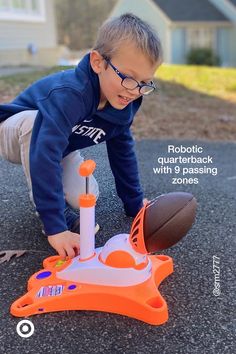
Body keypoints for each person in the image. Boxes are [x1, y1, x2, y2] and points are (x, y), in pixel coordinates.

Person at [0, 13, 162, 260]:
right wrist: (57, 228)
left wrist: (135, 204)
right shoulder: (71, 94)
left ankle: (58, 206)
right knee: (36, 125)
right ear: (98, 62)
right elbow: (45, 153)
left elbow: (122, 151)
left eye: (145, 83)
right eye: (129, 78)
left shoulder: (126, 102)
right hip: (14, 130)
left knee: (85, 197)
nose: (134, 91)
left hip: (60, 144)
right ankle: (51, 215)